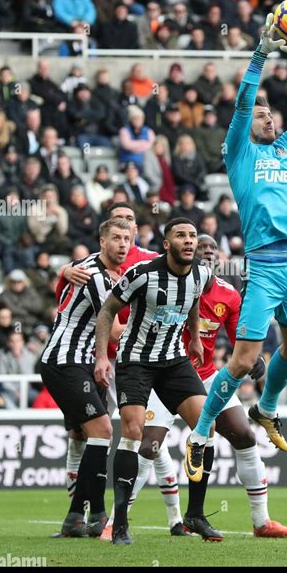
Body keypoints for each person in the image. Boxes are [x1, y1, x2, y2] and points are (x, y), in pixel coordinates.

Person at [184, 14, 287, 479]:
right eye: (262, 116)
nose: (267, 117)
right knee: (244, 360)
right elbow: (245, 101)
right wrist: (262, 51)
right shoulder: (241, 153)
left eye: (272, 115)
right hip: (263, 266)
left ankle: (267, 408)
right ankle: (201, 432)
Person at [102, 234, 287, 540]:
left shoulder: (228, 295)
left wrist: (254, 359)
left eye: (211, 248)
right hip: (156, 369)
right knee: (148, 445)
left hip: (204, 375)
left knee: (244, 435)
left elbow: (240, 339)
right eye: (200, 247)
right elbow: (123, 317)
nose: (205, 252)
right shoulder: (162, 281)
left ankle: (260, 521)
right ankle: (116, 521)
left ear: (218, 258)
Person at [93, 218, 216, 545]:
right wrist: (103, 356)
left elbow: (193, 301)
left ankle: (195, 514)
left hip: (174, 360)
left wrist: (194, 339)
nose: (189, 241)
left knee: (206, 425)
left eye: (192, 235)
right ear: (167, 244)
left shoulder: (202, 274)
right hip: (136, 360)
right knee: (133, 431)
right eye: (181, 235)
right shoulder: (142, 274)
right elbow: (107, 311)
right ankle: (119, 524)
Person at [40, 218, 131, 537]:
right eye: (116, 238)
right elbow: (114, 329)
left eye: (127, 238)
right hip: (66, 361)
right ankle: (97, 513)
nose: (123, 244)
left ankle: (77, 518)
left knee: (88, 434)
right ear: (102, 241)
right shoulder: (97, 276)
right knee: (103, 429)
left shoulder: (88, 267)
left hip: (77, 361)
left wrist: (62, 270)